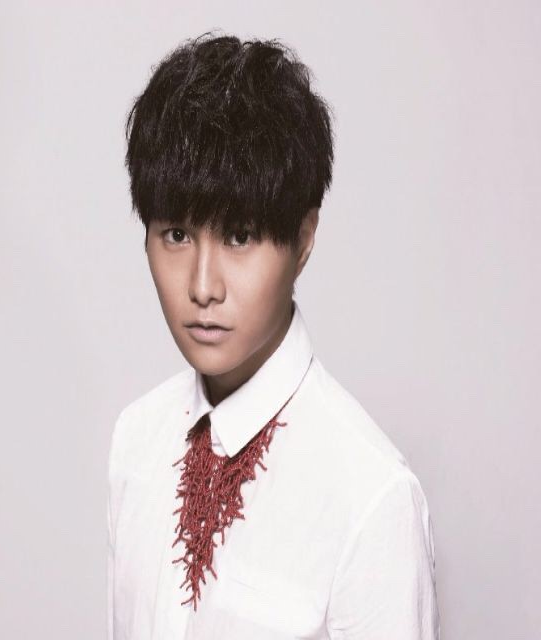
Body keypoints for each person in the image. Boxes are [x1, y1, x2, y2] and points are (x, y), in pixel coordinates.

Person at [107, 31, 440, 640]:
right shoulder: (136, 440)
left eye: (239, 237)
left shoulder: (372, 499)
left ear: (304, 238)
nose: (203, 287)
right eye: (177, 235)